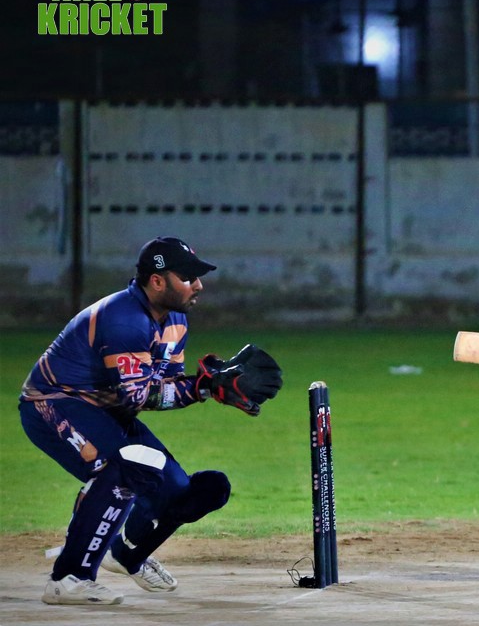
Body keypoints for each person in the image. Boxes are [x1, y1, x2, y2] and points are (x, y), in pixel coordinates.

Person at [20, 236, 283, 606]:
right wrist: (204, 388)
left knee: (181, 493)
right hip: (53, 403)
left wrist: (208, 385)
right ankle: (68, 577)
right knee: (124, 469)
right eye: (187, 277)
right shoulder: (124, 320)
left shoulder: (175, 320)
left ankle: (125, 553)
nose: (198, 285)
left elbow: (163, 385)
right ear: (157, 281)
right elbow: (138, 396)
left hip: (107, 409)